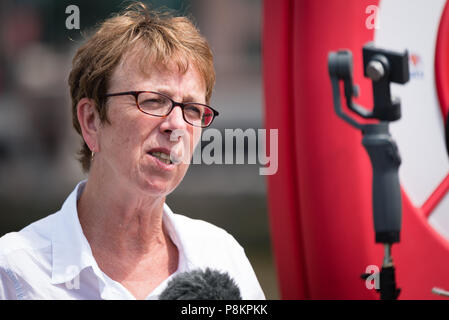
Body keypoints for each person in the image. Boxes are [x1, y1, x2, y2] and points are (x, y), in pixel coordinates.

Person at [0, 3, 265, 300]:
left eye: (192, 109)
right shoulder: (16, 272)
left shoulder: (222, 257)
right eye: (153, 101)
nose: (176, 124)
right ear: (92, 120)